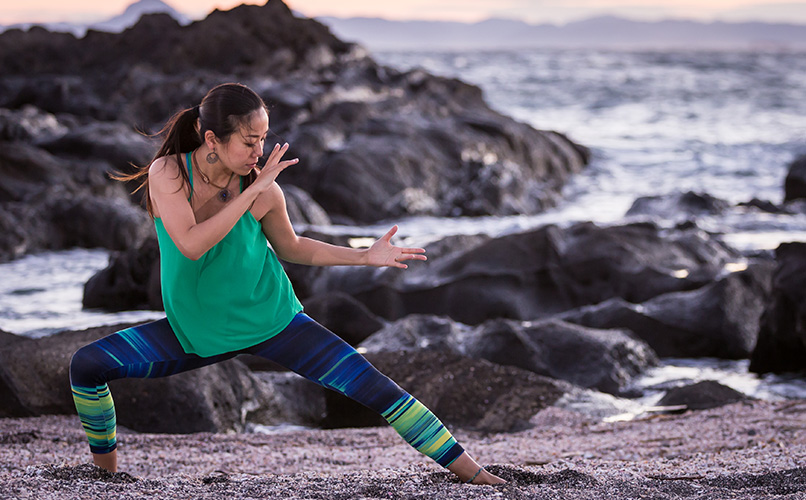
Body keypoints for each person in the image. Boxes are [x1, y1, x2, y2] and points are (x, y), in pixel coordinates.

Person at [69, 82, 505, 485]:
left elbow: (294, 248)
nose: (260, 150)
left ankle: (477, 475)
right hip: (197, 330)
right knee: (87, 367)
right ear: (212, 140)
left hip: (274, 320)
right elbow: (190, 245)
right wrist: (252, 190)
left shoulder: (264, 190)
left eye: (264, 138)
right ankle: (106, 478)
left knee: (374, 386)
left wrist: (363, 256)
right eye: (250, 141)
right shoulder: (170, 174)